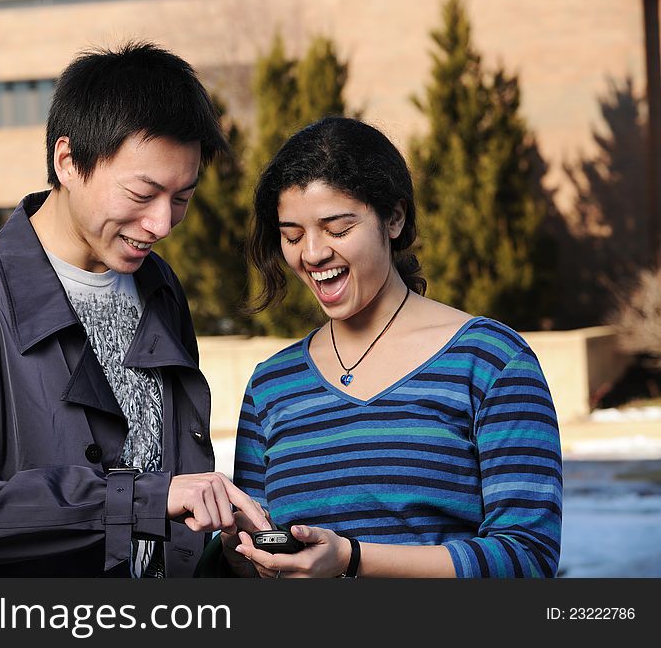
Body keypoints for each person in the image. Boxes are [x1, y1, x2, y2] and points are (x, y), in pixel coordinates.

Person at [0, 42, 269, 578]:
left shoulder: (159, 285)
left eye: (182, 197)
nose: (161, 224)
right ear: (67, 161)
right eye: (142, 193)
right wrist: (138, 499)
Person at [221, 117, 562, 578]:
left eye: (337, 228)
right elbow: (250, 567)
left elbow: (528, 558)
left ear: (395, 218)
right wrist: (248, 551)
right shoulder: (271, 386)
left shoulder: (491, 361)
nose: (313, 253)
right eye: (292, 235)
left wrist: (351, 558)